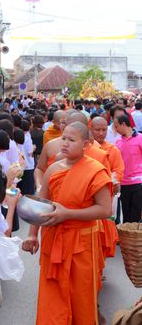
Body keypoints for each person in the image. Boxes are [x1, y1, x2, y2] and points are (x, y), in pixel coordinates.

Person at [23, 122, 112, 325]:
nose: (64, 143)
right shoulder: (54, 168)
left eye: (71, 140)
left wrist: (68, 214)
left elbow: (105, 210)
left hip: (81, 245)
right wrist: (31, 234)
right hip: (54, 241)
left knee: (80, 299)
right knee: (52, 299)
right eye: (63, 138)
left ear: (86, 145)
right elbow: (40, 205)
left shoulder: (95, 171)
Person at [114, 115, 142, 223]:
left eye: (116, 126)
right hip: (124, 184)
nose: (116, 129)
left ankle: (135, 238)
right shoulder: (118, 142)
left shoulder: (140, 138)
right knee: (125, 214)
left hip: (138, 182)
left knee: (136, 215)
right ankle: (127, 238)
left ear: (124, 124)